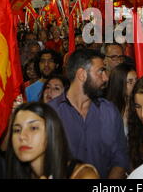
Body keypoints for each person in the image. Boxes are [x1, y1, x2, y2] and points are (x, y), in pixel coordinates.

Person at [49, 49, 129, 178]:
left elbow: (121, 158)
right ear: (82, 74)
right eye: (101, 71)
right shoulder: (51, 113)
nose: (106, 77)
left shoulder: (110, 111)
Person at [6, 102, 99, 179]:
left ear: (51, 131)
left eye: (33, 128)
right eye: (17, 130)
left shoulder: (83, 175)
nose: (22, 136)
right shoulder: (18, 173)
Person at [106, 62, 137, 135]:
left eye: (136, 80)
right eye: (130, 82)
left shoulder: (137, 107)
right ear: (119, 84)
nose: (135, 85)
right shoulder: (108, 111)